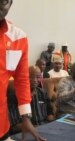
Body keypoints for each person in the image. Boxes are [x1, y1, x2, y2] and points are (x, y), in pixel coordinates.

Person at [0, 0, 45, 140]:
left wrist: (26, 117)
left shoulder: (18, 37)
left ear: (10, 3)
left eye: (4, 1)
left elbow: (21, 78)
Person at [8, 66, 54, 135]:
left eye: (38, 77)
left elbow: (50, 113)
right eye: (30, 77)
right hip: (24, 132)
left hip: (45, 128)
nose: (35, 80)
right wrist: (39, 128)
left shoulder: (43, 93)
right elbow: (15, 126)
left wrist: (53, 124)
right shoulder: (14, 96)